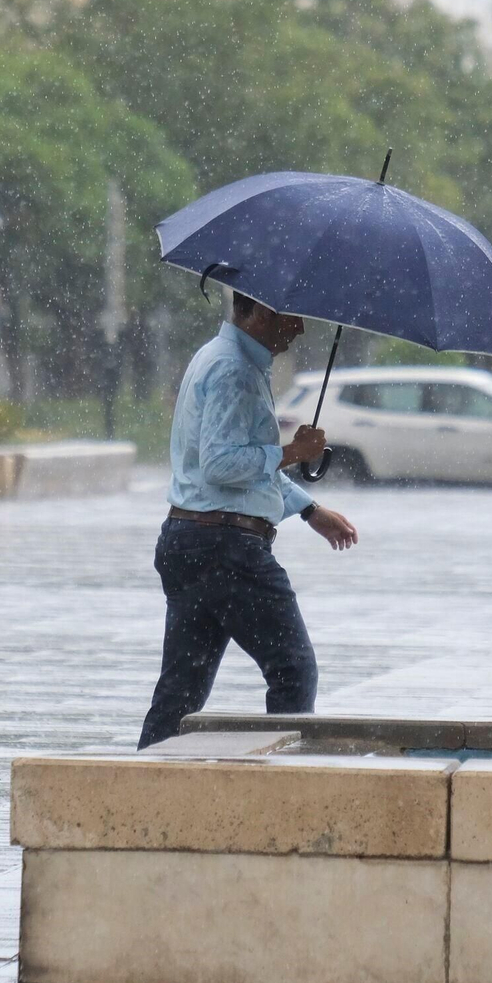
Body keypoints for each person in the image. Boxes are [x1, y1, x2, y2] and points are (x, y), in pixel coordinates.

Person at [137, 292, 358, 749]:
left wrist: (308, 509)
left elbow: (226, 470)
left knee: (180, 692)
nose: (298, 329)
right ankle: (280, 796)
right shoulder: (235, 369)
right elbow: (221, 465)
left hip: (191, 538)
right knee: (293, 670)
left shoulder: (217, 357)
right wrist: (293, 453)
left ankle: (141, 792)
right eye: (292, 316)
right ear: (261, 311)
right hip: (227, 547)